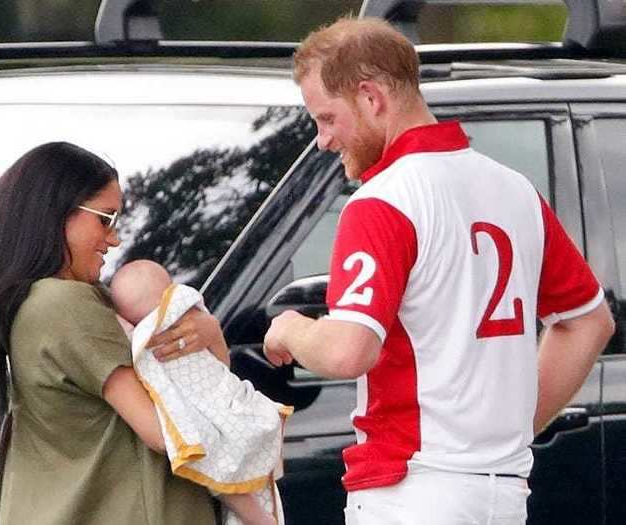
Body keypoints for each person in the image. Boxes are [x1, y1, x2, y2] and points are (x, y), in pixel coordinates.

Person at [262, 17, 616, 525]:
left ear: (370, 96)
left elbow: (347, 351)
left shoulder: (381, 201)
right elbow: (588, 321)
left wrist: (293, 328)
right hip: (501, 493)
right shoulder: (515, 190)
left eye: (326, 118)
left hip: (413, 489)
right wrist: (510, 429)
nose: (323, 140)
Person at [0, 142, 226, 524]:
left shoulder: (29, 304)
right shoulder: (65, 305)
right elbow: (171, 433)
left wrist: (207, 334)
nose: (114, 239)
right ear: (54, 215)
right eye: (105, 219)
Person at [110, 259, 289, 525]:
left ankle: (259, 519)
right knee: (232, 467)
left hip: (216, 416)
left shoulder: (149, 334)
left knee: (222, 465)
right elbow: (223, 365)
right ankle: (261, 518)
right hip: (228, 414)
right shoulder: (190, 314)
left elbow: (218, 371)